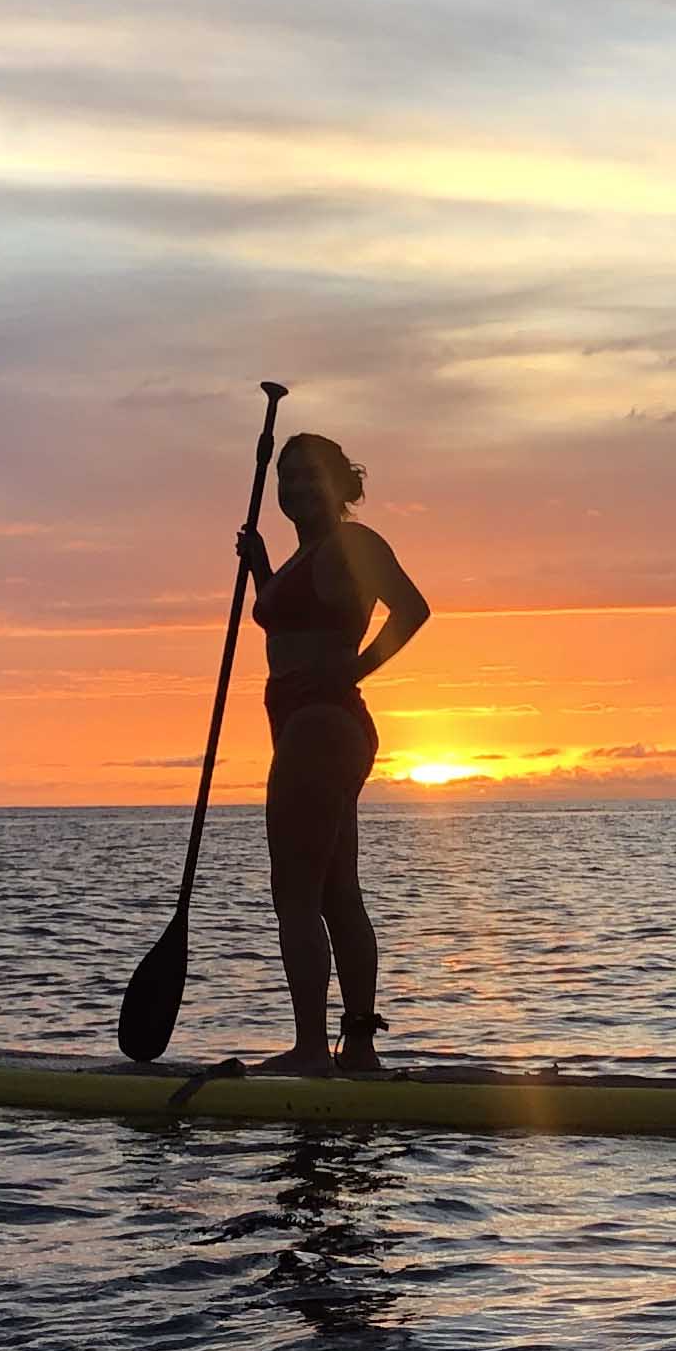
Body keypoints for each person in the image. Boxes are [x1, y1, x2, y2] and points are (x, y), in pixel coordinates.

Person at [235, 432, 431, 1075]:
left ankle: (313, 1051)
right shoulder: (301, 558)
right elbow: (289, 617)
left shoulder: (356, 543)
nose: (295, 489)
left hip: (324, 725)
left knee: (295, 889)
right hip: (302, 724)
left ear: (341, 483)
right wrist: (262, 567)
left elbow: (412, 609)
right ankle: (360, 1050)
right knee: (336, 888)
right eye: (286, 479)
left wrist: (353, 672)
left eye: (310, 477)